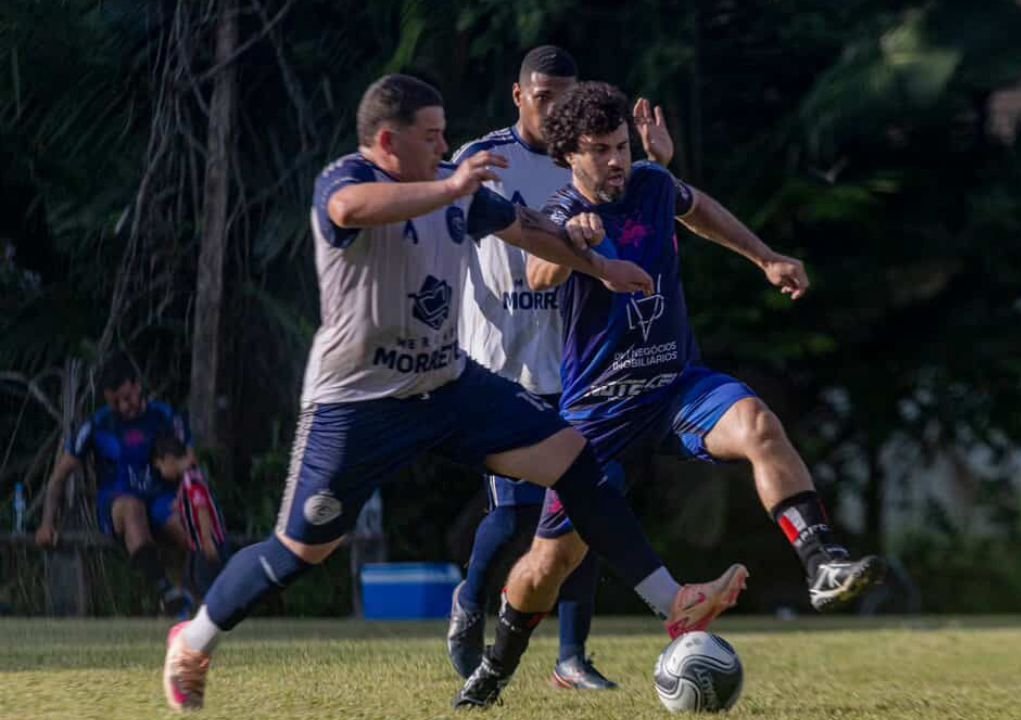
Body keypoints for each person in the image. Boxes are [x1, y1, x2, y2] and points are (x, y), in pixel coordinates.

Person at [160, 74, 747, 713]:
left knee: (573, 457)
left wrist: (601, 266)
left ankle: (673, 601)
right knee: (304, 549)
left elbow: (526, 231)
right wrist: (449, 187)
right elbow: (347, 212)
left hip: (447, 383)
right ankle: (193, 641)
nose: (447, 147)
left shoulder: (458, 188)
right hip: (358, 403)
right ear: (388, 141)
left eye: (446, 136)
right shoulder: (348, 178)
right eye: (432, 137)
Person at [452, 81, 886, 708]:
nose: (615, 161)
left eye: (622, 147)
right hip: (600, 413)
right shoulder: (557, 211)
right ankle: (493, 671)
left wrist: (764, 258)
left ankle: (821, 563)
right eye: (599, 150)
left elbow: (700, 210)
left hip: (677, 386)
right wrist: (574, 243)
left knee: (759, 425)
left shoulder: (653, 185)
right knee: (548, 567)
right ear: (570, 154)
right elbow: (538, 271)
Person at [449, 45, 675, 690]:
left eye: (562, 98)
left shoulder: (587, 156)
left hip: (575, 358)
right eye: (542, 97)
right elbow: (456, 238)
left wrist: (657, 164)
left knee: (582, 502)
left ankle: (571, 658)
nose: (553, 110)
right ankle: (469, 601)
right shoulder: (484, 159)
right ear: (518, 95)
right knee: (519, 514)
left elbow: (645, 209)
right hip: (501, 360)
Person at [36, 352, 196, 617]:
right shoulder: (97, 425)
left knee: (189, 527)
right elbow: (59, 477)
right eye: (116, 402)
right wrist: (46, 522)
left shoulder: (164, 416)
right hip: (118, 500)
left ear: (137, 385)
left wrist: (176, 469)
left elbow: (191, 459)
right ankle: (166, 592)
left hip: (160, 497)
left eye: (127, 397)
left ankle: (199, 597)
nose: (124, 406)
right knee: (133, 510)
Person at [150, 431, 228, 600]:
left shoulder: (191, 481)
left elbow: (202, 509)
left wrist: (207, 540)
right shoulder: (187, 479)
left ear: (169, 460)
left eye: (161, 467)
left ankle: (214, 616)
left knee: (204, 583)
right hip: (197, 544)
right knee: (192, 581)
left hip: (206, 541)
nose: (162, 473)